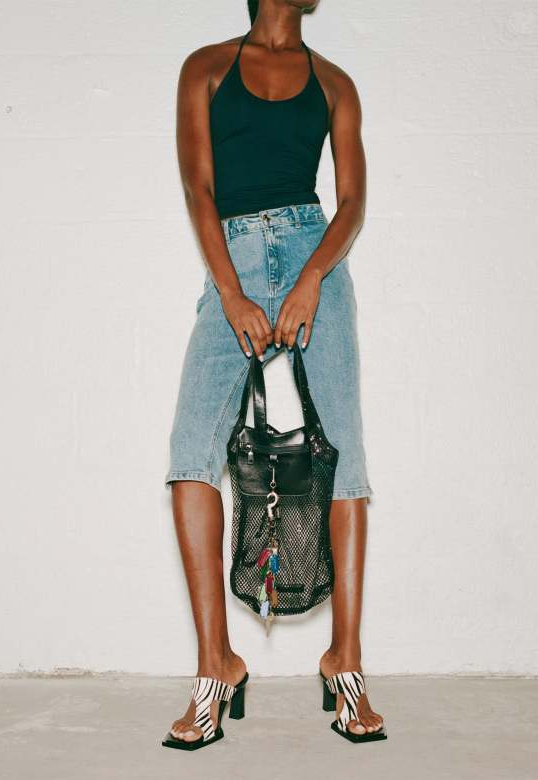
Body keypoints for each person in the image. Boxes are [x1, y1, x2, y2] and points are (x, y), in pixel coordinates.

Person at [162, 0, 385, 750]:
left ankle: (345, 662)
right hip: (232, 261)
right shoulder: (205, 68)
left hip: (313, 255)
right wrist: (230, 292)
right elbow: (198, 189)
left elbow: (352, 202)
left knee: (345, 456)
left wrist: (314, 277)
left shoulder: (336, 83)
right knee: (191, 455)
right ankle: (216, 667)